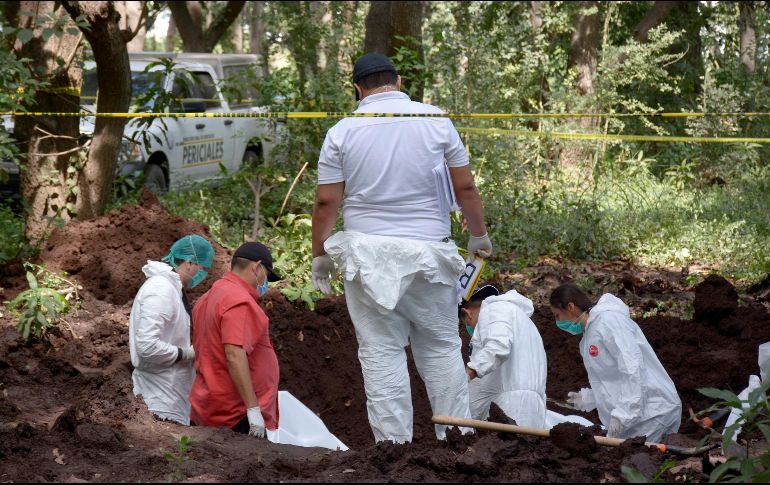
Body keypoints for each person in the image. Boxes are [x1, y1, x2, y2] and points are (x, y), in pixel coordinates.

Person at [310, 52, 493, 443]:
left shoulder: (342, 131)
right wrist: (477, 233)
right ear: (398, 79)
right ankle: (458, 440)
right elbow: (465, 187)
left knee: (380, 351)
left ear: (357, 88)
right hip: (430, 257)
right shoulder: (434, 120)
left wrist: (320, 254)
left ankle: (393, 450)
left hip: (368, 259)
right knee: (442, 347)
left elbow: (327, 201)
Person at [550, 283, 682, 442]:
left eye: (557, 315)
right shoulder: (589, 336)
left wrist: (623, 417)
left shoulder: (609, 321)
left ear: (570, 306)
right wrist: (589, 399)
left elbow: (632, 369)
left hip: (654, 414)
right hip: (637, 419)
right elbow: (612, 381)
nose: (557, 322)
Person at [189, 242, 282, 438]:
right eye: (265, 274)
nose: (264, 282)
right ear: (256, 267)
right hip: (234, 415)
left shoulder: (209, 296)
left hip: (210, 406)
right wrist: (253, 409)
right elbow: (234, 354)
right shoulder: (238, 300)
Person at [129, 234, 215, 425]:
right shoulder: (161, 289)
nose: (204, 274)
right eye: (204, 268)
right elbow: (147, 347)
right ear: (190, 263)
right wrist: (186, 353)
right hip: (158, 398)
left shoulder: (172, 289)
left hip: (170, 394)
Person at [460, 285, 547, 428]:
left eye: (467, 324)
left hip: (509, 410)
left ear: (467, 313)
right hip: (528, 409)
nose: (471, 329)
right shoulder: (521, 320)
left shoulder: (493, 311)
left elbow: (497, 347)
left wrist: (467, 374)